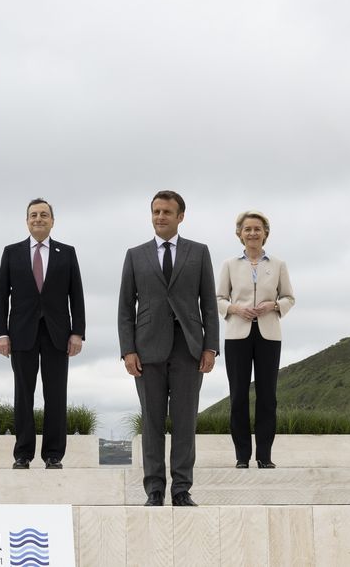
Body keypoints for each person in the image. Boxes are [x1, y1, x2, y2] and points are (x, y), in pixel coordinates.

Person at [118, 190, 218, 507]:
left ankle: (181, 489)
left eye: (166, 212)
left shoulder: (199, 252)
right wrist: (128, 350)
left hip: (189, 347)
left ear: (180, 216)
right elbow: (124, 308)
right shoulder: (135, 255)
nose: (160, 217)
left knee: (185, 422)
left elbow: (209, 306)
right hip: (147, 350)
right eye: (156, 211)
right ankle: (155, 489)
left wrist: (211, 347)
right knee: (152, 422)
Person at [0, 198, 86, 470]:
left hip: (58, 334)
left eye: (44, 215)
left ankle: (53, 454)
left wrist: (77, 332)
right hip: (21, 333)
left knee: (56, 394)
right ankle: (23, 454)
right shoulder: (12, 252)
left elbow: (76, 295)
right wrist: (1, 333)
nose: (38, 219)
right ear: (27, 221)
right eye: (33, 215)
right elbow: (1, 296)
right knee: (23, 394)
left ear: (52, 220)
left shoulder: (66, 253)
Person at [215, 210, 295, 469]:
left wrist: (274, 305)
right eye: (247, 229)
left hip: (269, 335)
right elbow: (217, 299)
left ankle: (265, 455)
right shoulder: (229, 264)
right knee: (238, 395)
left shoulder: (278, 264)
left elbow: (289, 298)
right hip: (237, 335)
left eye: (257, 229)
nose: (252, 233)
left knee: (267, 395)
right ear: (240, 234)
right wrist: (235, 309)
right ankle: (241, 456)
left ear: (265, 233)